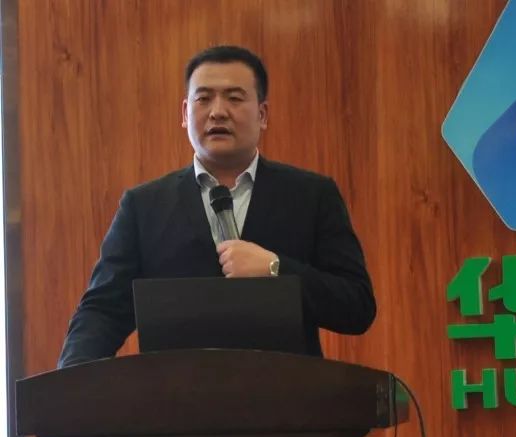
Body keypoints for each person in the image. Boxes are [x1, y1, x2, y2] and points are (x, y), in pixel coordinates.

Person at [58, 46, 376, 368]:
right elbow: (102, 312)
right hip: (175, 394)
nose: (218, 112)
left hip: (284, 394)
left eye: (234, 98)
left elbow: (357, 306)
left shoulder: (312, 196)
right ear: (185, 114)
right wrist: (70, 382)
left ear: (262, 115)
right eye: (204, 98)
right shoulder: (143, 207)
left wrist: (276, 269)